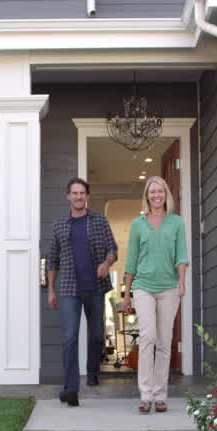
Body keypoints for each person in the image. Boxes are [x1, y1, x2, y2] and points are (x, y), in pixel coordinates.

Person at [47, 177, 117, 407]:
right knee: (69, 337)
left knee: (97, 335)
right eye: (74, 193)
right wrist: (51, 291)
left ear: (87, 196)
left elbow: (112, 249)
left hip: (95, 288)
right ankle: (70, 388)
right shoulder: (59, 225)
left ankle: (93, 370)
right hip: (68, 288)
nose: (78, 197)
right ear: (68, 196)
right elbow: (53, 260)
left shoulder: (98, 220)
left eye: (82, 193)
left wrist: (106, 264)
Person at [121, 176, 188, 415]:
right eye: (152, 192)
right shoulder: (138, 224)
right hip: (143, 286)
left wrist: (181, 283)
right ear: (147, 196)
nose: (156, 195)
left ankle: (160, 395)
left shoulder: (176, 223)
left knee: (164, 341)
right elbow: (131, 260)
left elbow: (181, 255)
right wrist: (127, 293)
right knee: (148, 335)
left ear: (166, 194)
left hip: (169, 287)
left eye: (160, 191)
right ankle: (145, 394)